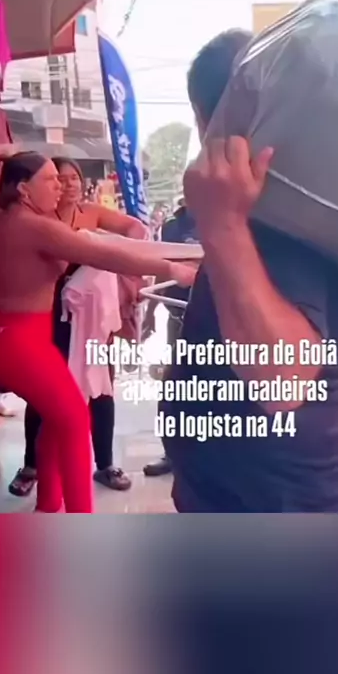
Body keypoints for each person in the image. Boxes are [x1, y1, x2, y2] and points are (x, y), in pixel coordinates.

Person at [161, 29, 338, 513]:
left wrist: (221, 224)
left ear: (212, 120)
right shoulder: (284, 203)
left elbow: (281, 378)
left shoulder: (283, 215)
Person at [0, 151, 196, 513]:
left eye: (64, 178)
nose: (60, 186)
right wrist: (172, 269)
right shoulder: (34, 225)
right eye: (51, 179)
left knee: (60, 417)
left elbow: (114, 240)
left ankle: (49, 504)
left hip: (20, 334)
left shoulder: (11, 217)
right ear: (23, 189)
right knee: (73, 419)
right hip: (17, 340)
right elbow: (102, 255)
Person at [8, 157, 148, 497]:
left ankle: (105, 463)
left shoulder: (92, 213)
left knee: (101, 385)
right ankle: (31, 465)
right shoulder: (39, 219)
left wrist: (121, 266)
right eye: (59, 178)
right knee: (44, 389)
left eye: (74, 177)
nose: (67, 184)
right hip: (50, 310)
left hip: (92, 313)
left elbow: (136, 229)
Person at [142, 198, 199, 478]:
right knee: (175, 384)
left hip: (220, 316)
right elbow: (161, 267)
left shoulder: (229, 218)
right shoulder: (174, 226)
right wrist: (151, 311)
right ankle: (172, 453)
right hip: (179, 314)